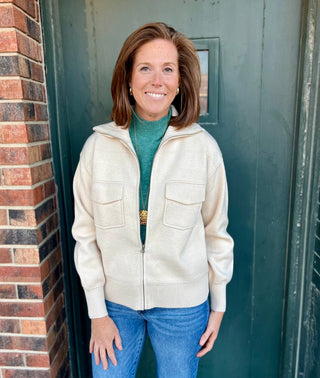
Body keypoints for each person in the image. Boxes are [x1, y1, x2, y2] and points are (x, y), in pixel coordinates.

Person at [72, 22, 234, 378]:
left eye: (168, 69)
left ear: (179, 83)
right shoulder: (96, 149)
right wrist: (97, 312)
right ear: (128, 79)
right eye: (145, 68)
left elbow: (216, 233)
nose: (156, 80)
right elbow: (85, 235)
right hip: (115, 305)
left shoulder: (204, 150)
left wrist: (217, 304)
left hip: (184, 308)